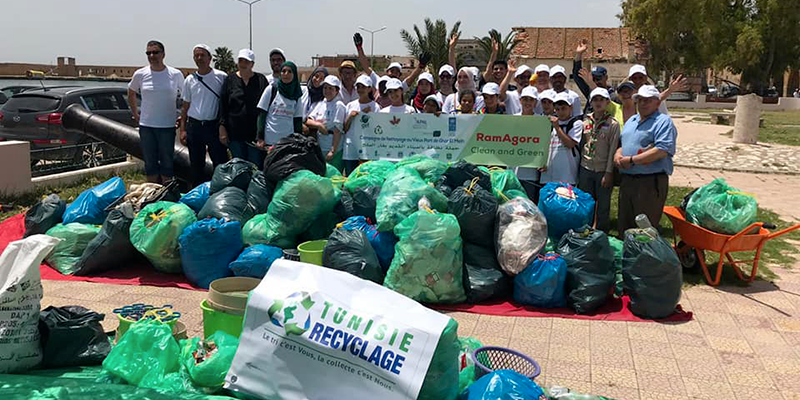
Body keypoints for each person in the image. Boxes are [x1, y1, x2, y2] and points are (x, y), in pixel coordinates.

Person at [614, 85, 677, 233]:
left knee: (644, 229)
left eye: (648, 100)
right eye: (640, 99)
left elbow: (662, 150)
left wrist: (631, 160)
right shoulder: (632, 121)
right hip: (628, 181)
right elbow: (624, 144)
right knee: (625, 225)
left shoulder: (663, 122)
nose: (643, 103)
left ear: (657, 103)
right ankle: (628, 254)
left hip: (649, 182)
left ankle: (644, 256)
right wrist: (618, 154)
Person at [127, 40, 184, 184]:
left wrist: (182, 117)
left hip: (167, 126)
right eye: (148, 53)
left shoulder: (175, 74)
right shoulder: (140, 74)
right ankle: (153, 192)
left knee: (167, 163)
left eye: (155, 52)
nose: (152, 55)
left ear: (163, 54)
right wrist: (135, 113)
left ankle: (166, 191)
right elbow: (131, 92)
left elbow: (186, 97)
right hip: (147, 126)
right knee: (150, 163)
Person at [179, 44, 229, 186]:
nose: (199, 58)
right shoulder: (190, 80)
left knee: (220, 162)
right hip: (195, 127)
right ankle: (197, 193)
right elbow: (185, 107)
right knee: (196, 165)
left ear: (210, 58)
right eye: (196, 55)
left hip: (213, 126)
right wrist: (183, 129)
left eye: (202, 55)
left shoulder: (221, 77)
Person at [578, 88, 621, 232]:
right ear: (590, 102)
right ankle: (585, 230)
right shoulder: (585, 121)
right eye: (595, 100)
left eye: (601, 100)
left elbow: (612, 150)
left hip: (603, 169)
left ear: (607, 102)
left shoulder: (613, 124)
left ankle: (602, 232)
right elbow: (582, 144)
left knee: (603, 204)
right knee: (586, 202)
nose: (598, 103)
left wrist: (609, 172)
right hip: (586, 167)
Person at [218, 49, 269, 166]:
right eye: (241, 61)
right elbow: (223, 106)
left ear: (252, 64)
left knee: (255, 166)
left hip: (254, 135)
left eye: (246, 61)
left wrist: (263, 134)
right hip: (235, 134)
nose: (243, 64)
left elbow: (267, 108)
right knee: (238, 167)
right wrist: (222, 128)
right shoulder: (230, 80)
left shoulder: (261, 80)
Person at [256, 61, 305, 150]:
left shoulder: (297, 95)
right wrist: (260, 138)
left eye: (290, 71)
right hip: (270, 142)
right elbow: (262, 115)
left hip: (288, 143)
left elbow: (297, 120)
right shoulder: (271, 89)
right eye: (283, 71)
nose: (286, 74)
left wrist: (298, 141)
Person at [540, 92, 583, 185]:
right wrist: (541, 162)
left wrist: (557, 127)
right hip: (548, 174)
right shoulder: (548, 122)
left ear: (570, 107)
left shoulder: (576, 123)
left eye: (564, 108)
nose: (561, 112)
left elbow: (570, 144)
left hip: (567, 175)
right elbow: (543, 145)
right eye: (558, 109)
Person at [343, 75, 381, 175]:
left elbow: (377, 129)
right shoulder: (350, 105)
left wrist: (365, 116)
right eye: (358, 87)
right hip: (350, 148)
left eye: (363, 87)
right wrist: (351, 117)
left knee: (365, 178)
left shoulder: (375, 107)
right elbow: (345, 128)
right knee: (349, 177)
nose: (360, 89)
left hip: (367, 149)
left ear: (369, 89)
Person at [306, 75, 346, 171]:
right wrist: (318, 125)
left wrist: (333, 150)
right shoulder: (321, 104)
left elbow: (337, 130)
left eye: (330, 88)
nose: (327, 91)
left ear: (337, 91)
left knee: (335, 176)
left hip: (334, 149)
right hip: (321, 147)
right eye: (325, 88)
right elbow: (308, 120)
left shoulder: (339, 105)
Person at [513, 86, 542, 201]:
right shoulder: (512, 119)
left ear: (535, 103)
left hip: (531, 174)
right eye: (525, 99)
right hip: (513, 172)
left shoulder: (541, 121)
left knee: (529, 207)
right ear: (520, 101)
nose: (527, 102)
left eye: (531, 100)